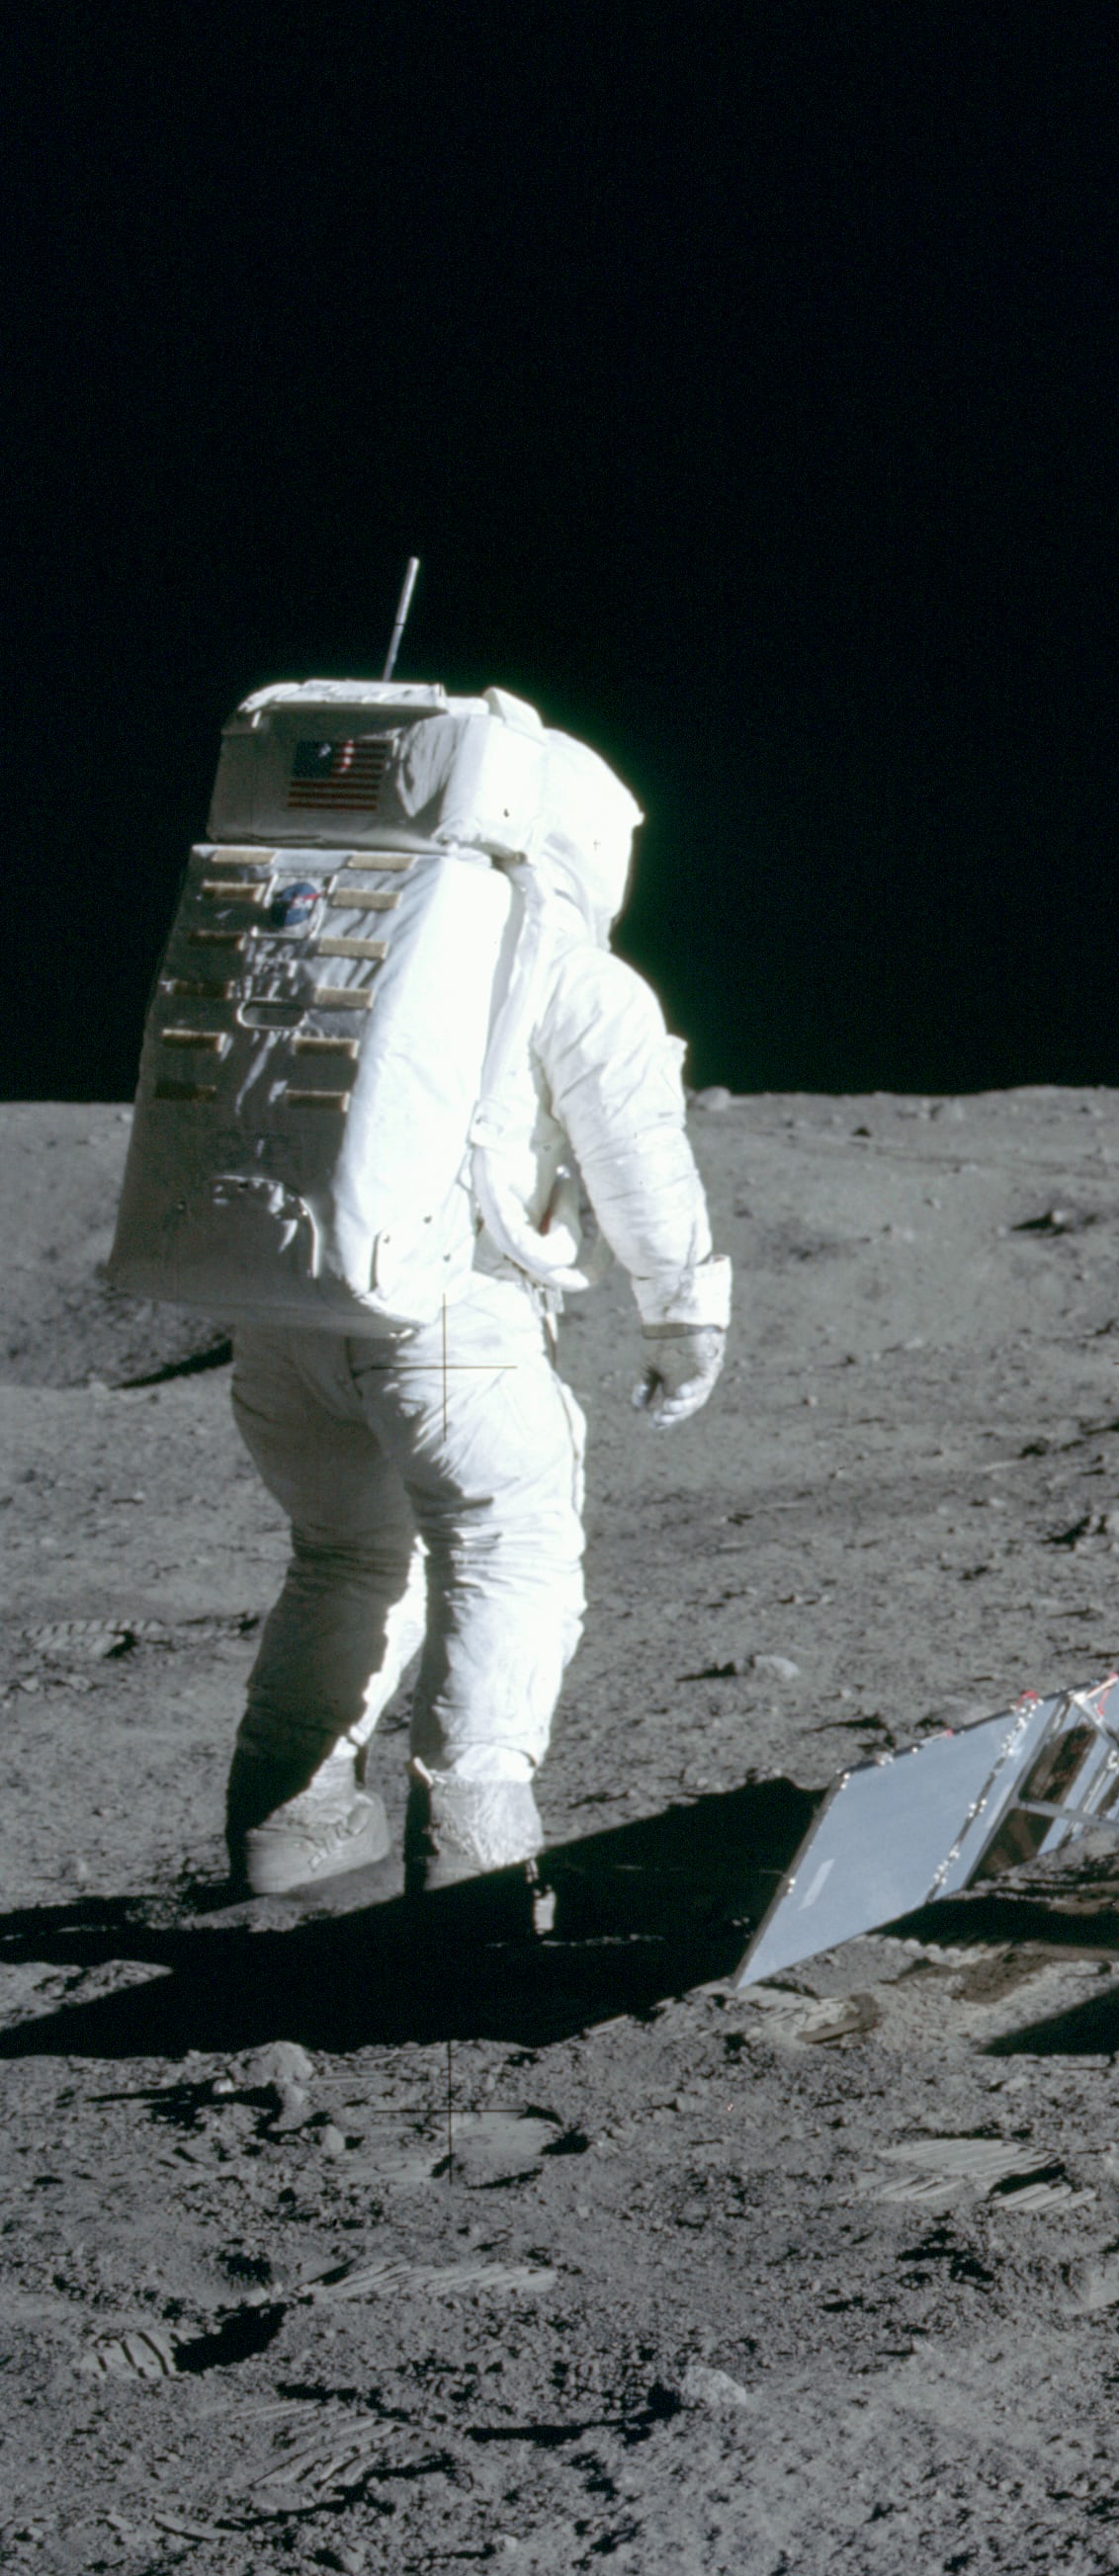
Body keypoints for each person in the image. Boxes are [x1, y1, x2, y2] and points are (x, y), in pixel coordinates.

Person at [223, 727, 732, 1897]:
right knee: (508, 1548)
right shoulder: (558, 960)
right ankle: (475, 1852)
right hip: (448, 1321)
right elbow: (637, 1153)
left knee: (345, 1558)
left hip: (284, 1317)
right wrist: (682, 1314)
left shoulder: (324, 925)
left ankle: (285, 1826)